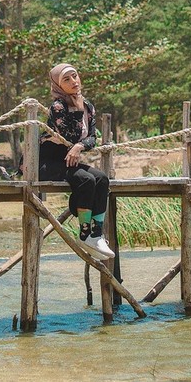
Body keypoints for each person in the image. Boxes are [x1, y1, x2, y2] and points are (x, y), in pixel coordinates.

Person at [38, 62, 115, 261]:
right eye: (66, 79)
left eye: (75, 76)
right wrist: (77, 141)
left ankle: (96, 235)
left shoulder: (88, 106)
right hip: (48, 162)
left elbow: (91, 138)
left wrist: (79, 147)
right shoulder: (58, 106)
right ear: (57, 85)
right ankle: (85, 233)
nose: (73, 81)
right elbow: (69, 135)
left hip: (69, 160)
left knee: (102, 179)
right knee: (86, 180)